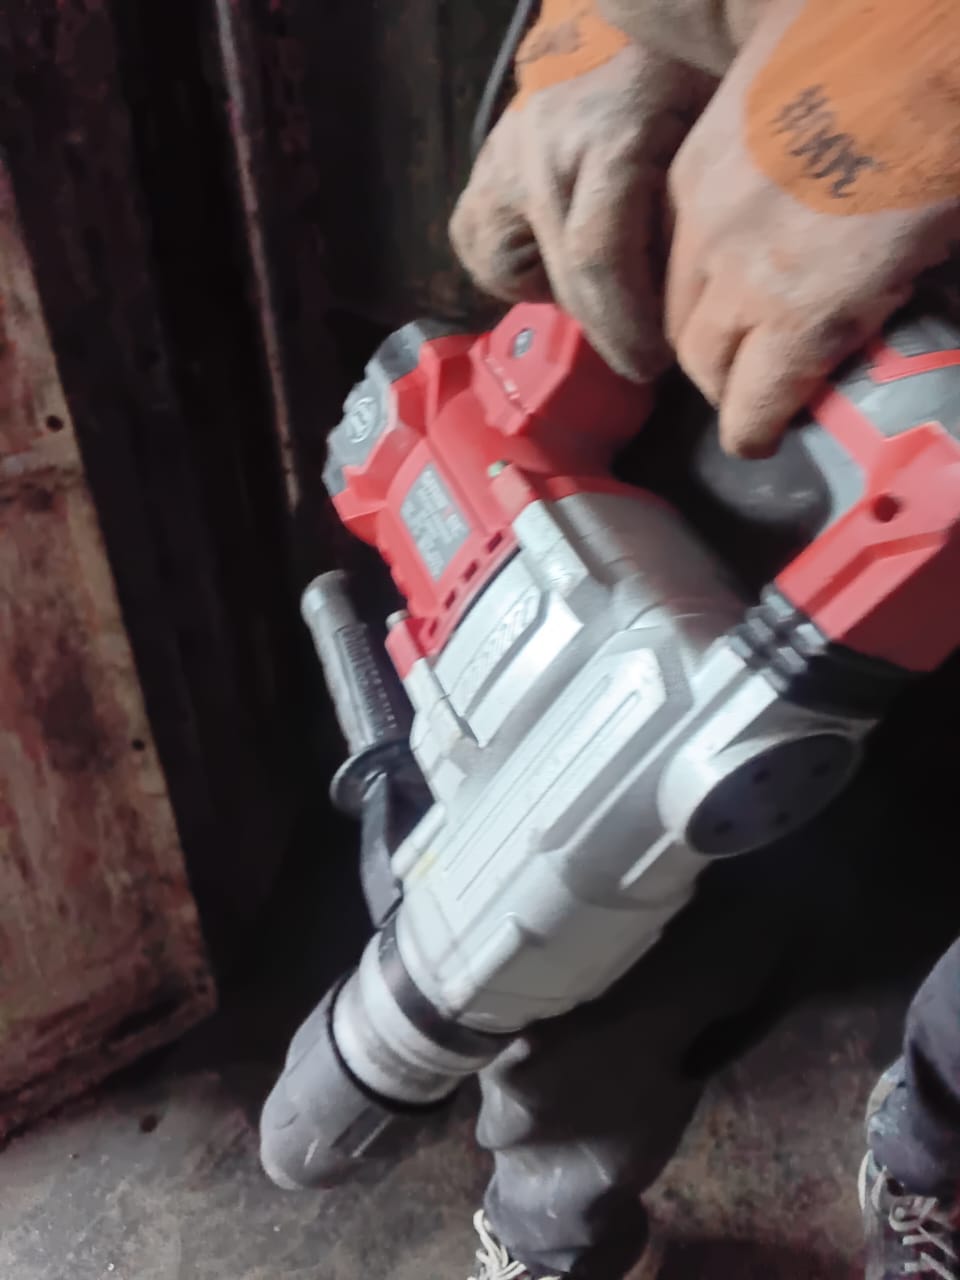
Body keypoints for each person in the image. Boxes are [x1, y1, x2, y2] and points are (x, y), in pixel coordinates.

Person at [450, 2, 960, 1277]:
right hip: (828, 332)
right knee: (630, 844)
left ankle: (934, 1158)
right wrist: (620, 25)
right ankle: (554, 1218)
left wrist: (924, 70)